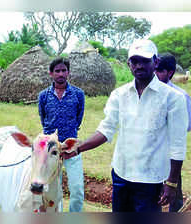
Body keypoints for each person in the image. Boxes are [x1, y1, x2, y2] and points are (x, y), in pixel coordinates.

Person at [62, 39, 188, 212]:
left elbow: (178, 144)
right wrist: (78, 148)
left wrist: (172, 183)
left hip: (151, 179)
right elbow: (106, 129)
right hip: (121, 174)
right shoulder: (119, 95)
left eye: (145, 60)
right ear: (129, 64)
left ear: (155, 62)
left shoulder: (173, 98)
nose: (139, 66)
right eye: (135, 61)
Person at [38, 57, 85, 212]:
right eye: (57, 71)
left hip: (72, 148)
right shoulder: (43, 96)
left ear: (68, 72)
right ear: (51, 73)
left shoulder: (78, 94)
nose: (61, 74)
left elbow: (78, 119)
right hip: (51, 150)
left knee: (77, 189)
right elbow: (43, 118)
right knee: (53, 190)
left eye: (63, 70)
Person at [155, 53, 191, 212]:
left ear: (170, 72)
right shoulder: (146, 91)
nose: (154, 74)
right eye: (154, 69)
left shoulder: (181, 97)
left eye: (159, 70)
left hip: (171, 154)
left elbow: (187, 125)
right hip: (148, 152)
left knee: (173, 192)